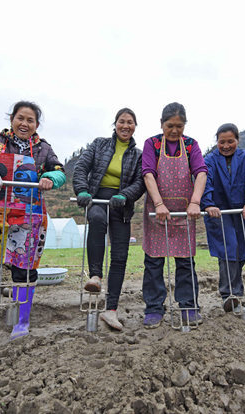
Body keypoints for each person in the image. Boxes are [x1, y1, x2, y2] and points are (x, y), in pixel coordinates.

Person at [0, 101, 66, 347]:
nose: (24, 124)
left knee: (25, 267)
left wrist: (50, 178)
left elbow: (59, 170)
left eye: (30, 120)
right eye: (20, 118)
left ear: (36, 125)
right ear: (12, 119)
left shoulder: (43, 148)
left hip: (30, 215)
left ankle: (21, 319)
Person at [72, 108, 145, 331]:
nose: (125, 126)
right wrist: (82, 190)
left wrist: (125, 195)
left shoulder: (138, 154)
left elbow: (140, 181)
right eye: (122, 121)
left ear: (135, 127)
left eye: (130, 122)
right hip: (97, 199)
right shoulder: (99, 144)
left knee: (120, 255)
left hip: (120, 204)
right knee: (96, 221)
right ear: (115, 124)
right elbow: (81, 167)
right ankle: (95, 276)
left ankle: (111, 310)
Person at [141, 102, 208, 328]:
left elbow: (200, 173)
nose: (175, 130)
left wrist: (195, 202)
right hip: (157, 214)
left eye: (179, 126)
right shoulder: (152, 144)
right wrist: (159, 204)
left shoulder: (190, 145)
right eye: (170, 125)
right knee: (153, 262)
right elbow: (148, 174)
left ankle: (188, 306)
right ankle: (154, 308)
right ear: (162, 124)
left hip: (184, 213)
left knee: (185, 262)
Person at [201, 123, 245, 312]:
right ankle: (230, 294)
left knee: (240, 251)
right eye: (221, 142)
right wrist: (208, 203)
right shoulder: (209, 159)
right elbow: (205, 181)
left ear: (237, 140)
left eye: (230, 141)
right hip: (219, 213)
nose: (226, 146)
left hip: (241, 212)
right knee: (228, 248)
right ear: (216, 142)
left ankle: (234, 291)